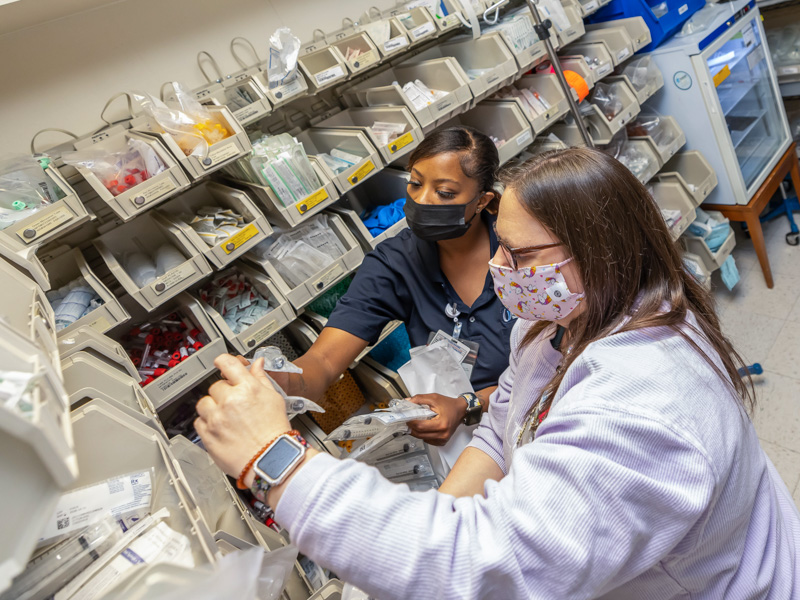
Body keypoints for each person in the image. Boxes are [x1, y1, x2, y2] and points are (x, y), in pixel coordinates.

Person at [196, 147, 800, 599]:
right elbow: (505, 425)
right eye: (500, 246)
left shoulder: (643, 402)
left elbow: (489, 563)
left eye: (519, 253)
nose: (498, 266)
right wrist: (443, 515)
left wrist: (274, 460)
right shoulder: (555, 323)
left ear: (599, 252)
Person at [269, 126, 515, 445]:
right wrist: (279, 379)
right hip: (467, 440)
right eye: (415, 183)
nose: (421, 201)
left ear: (482, 201)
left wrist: (470, 405)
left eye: (445, 193)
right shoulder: (394, 263)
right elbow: (324, 361)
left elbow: (557, 362)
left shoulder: (521, 250)